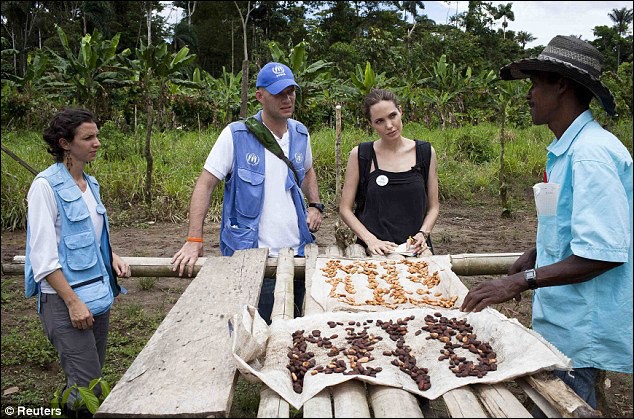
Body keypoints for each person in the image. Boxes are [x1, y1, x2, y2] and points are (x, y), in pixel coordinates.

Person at [460, 35, 633, 410]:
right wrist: (538, 252)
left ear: (561, 85)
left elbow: (604, 253)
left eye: (536, 84)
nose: (529, 95)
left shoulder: (591, 155)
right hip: (563, 322)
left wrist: (519, 281)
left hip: (581, 330)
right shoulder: (569, 151)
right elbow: (579, 230)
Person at [171, 62, 323, 323]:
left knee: (298, 332)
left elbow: (308, 171)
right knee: (255, 333)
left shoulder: (300, 133)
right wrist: (194, 239)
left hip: (299, 253)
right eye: (279, 93)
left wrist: (315, 205)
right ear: (259, 96)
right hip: (253, 257)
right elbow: (205, 184)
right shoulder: (236, 135)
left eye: (291, 91)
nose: (287, 99)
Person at [24, 108, 130, 415]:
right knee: (87, 384)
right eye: (88, 137)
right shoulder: (45, 187)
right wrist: (72, 303)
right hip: (65, 300)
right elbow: (43, 259)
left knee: (87, 381)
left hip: (97, 295)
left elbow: (89, 235)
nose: (97, 142)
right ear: (65, 143)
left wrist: (111, 255)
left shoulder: (90, 184)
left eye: (97, 135)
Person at [339, 89, 439, 256]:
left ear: (401, 111)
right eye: (379, 121)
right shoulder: (362, 155)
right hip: (373, 253)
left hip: (415, 249)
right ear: (371, 123)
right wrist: (370, 240)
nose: (389, 126)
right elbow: (345, 209)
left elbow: (433, 207)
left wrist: (423, 234)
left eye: (392, 116)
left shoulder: (425, 153)